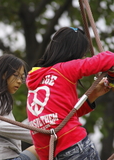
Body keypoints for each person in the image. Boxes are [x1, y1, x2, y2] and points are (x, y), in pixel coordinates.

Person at [26, 27, 114, 160]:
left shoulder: (35, 82)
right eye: (83, 55)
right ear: (74, 53)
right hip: (76, 147)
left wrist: (93, 95)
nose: (84, 58)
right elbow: (110, 58)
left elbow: (63, 115)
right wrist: (112, 78)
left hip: (57, 153)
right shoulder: (65, 69)